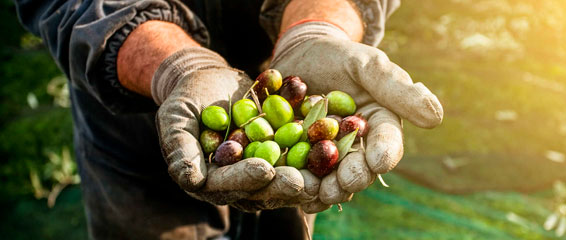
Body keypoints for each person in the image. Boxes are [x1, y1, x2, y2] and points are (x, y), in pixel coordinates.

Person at [15, 0, 443, 239]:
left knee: (283, 215)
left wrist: (316, 28)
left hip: (286, 71)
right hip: (133, 117)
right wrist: (176, 66)